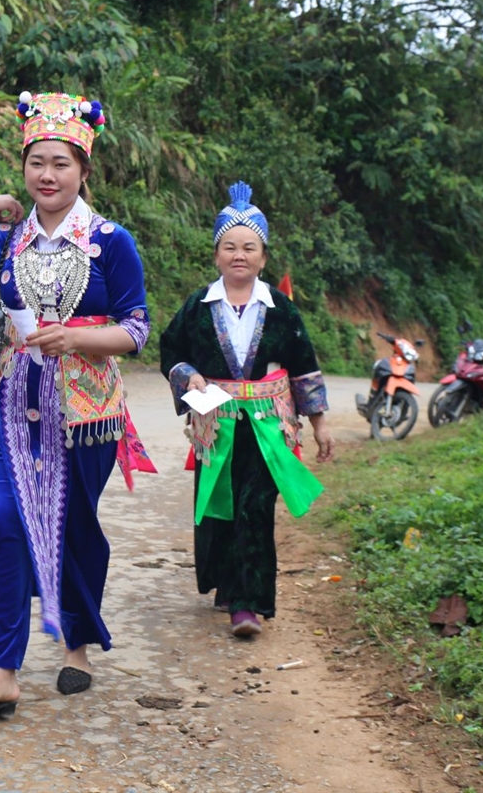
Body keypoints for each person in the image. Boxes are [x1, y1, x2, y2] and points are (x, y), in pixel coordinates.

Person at [0, 91, 152, 722]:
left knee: (72, 529)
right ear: (23, 169)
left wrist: (76, 338)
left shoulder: (112, 242)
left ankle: (77, 646)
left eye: (61, 163)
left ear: (83, 170)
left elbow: (135, 331)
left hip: (86, 416)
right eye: (36, 163)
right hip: (14, 407)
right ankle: (3, 673)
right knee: (4, 525)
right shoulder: (7, 240)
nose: (48, 175)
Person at [158, 182, 335, 639]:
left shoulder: (282, 313)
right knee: (220, 506)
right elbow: (171, 349)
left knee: (256, 506)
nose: (240, 255)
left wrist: (320, 424)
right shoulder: (198, 307)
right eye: (230, 247)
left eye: (249, 247)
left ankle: (248, 603)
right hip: (215, 424)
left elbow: (304, 368)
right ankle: (227, 585)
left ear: (263, 256)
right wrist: (188, 376)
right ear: (216, 254)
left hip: (268, 427)